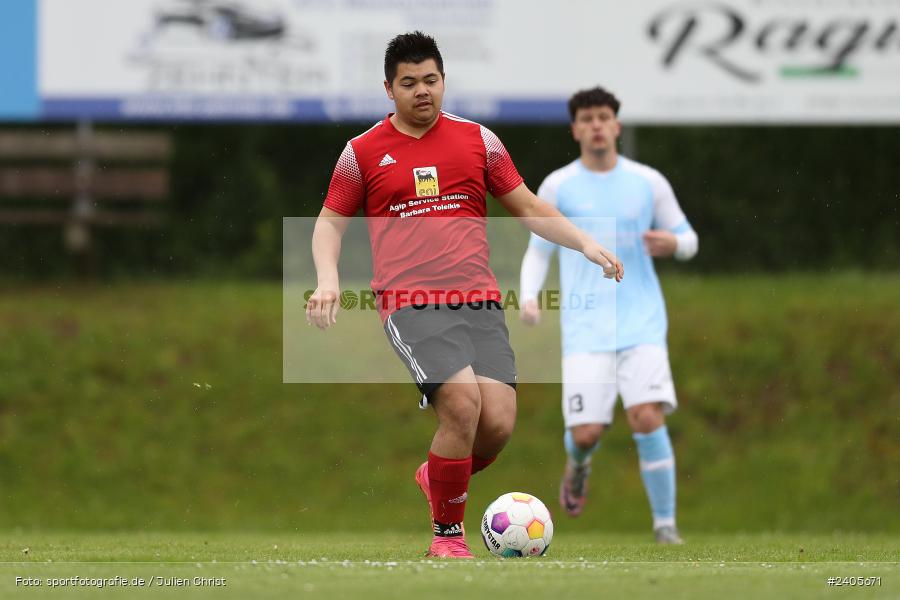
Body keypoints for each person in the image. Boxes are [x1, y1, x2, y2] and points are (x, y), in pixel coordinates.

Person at [306, 34, 623, 558]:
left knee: (496, 423)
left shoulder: (480, 140)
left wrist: (585, 242)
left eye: (431, 80)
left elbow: (526, 205)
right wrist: (328, 280)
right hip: (409, 302)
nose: (423, 91)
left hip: (477, 300)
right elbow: (329, 224)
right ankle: (446, 538)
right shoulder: (361, 152)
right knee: (462, 405)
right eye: (409, 83)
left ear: (444, 80)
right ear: (389, 88)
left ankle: (437, 475)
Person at [519, 87, 698, 544]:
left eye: (604, 117)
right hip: (585, 329)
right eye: (587, 118)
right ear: (575, 129)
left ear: (616, 126)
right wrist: (528, 296)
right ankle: (578, 466)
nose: (596, 125)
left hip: (642, 324)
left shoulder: (648, 182)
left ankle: (665, 524)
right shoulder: (559, 185)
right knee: (586, 433)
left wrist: (674, 244)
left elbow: (688, 237)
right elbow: (539, 248)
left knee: (646, 416)